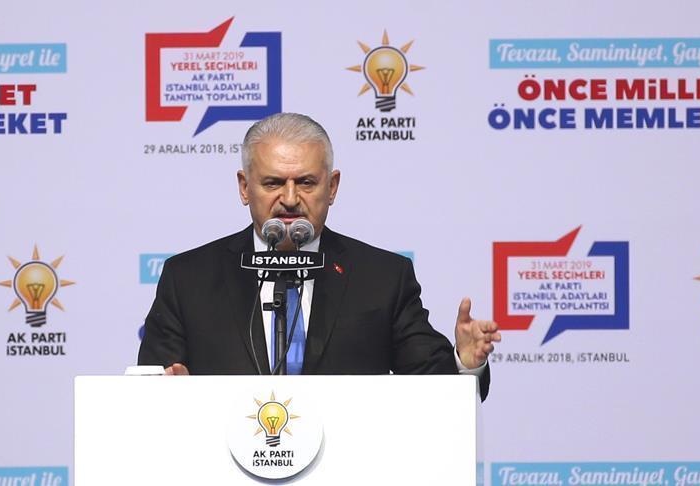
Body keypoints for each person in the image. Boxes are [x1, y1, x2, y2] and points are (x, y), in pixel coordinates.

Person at [138, 113, 501, 400]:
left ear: (332, 187)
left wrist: (464, 363)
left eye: (306, 182)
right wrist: (169, 395)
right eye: (273, 183)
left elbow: (433, 386)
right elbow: (151, 385)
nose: (290, 199)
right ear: (245, 187)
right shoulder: (189, 278)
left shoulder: (382, 277)